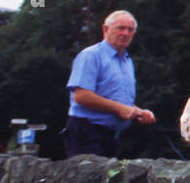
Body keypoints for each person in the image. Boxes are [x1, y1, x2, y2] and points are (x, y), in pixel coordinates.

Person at [62, 10, 156, 158]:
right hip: (86, 132)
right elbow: (81, 96)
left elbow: (118, 100)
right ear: (105, 29)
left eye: (130, 30)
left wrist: (138, 112)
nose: (125, 33)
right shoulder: (90, 55)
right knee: (91, 180)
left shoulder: (127, 61)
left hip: (113, 135)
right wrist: (120, 108)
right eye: (120, 28)